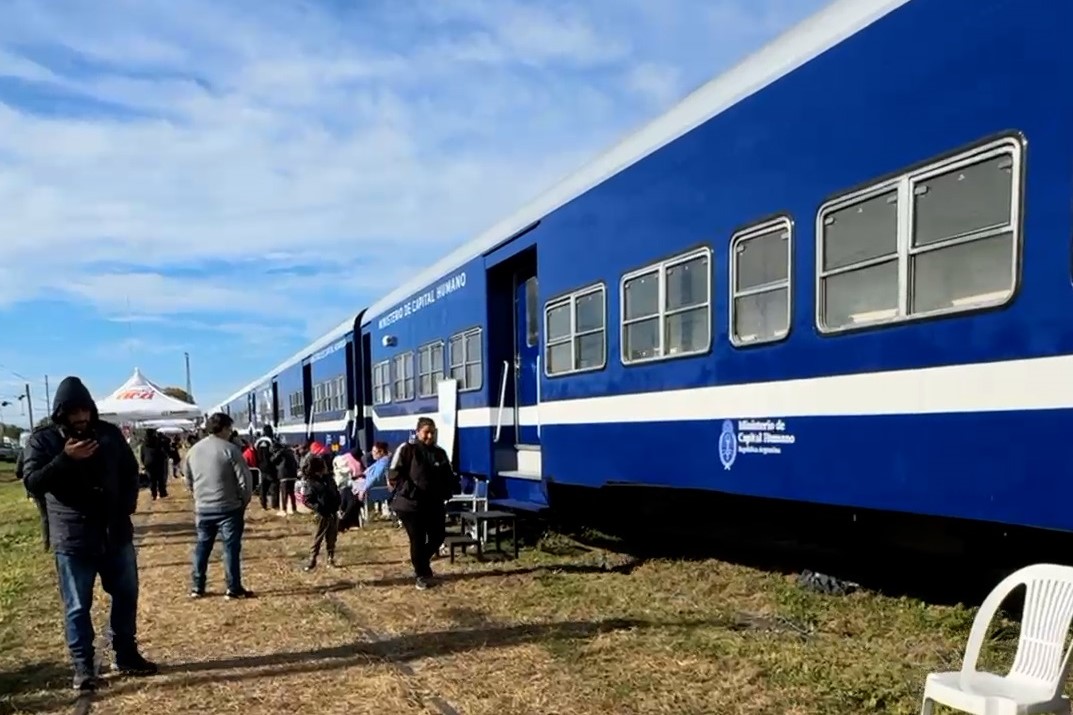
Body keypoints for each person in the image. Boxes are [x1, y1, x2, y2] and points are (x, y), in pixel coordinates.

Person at [21, 376, 157, 691]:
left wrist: (127, 504)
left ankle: (125, 654)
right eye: (73, 413)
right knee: (77, 605)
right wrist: (65, 460)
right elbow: (33, 483)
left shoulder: (109, 433)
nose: (80, 418)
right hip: (73, 538)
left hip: (115, 533)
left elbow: (128, 472)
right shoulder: (43, 441)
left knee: (126, 595)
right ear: (61, 414)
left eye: (85, 411)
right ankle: (83, 667)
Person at [183, 412, 255, 600]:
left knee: (202, 546)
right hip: (229, 508)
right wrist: (243, 501)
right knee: (230, 548)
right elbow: (245, 480)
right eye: (229, 428)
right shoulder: (230, 450)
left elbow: (188, 479)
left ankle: (197, 587)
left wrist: (198, 496)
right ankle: (233, 587)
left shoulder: (193, 451)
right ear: (224, 428)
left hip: (203, 508)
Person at [388, 418, 458, 590]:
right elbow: (393, 472)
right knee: (417, 539)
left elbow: (448, 474)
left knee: (438, 536)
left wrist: (448, 489)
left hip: (434, 503)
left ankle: (421, 562)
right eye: (426, 431)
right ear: (418, 432)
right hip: (411, 505)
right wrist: (408, 489)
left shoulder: (439, 453)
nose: (429, 435)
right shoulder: (408, 449)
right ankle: (421, 574)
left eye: (432, 432)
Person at [301, 455, 341, 570]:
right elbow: (307, 500)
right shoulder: (311, 483)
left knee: (332, 537)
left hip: (333, 512)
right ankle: (312, 559)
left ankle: (330, 558)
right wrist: (318, 507)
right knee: (318, 537)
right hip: (322, 514)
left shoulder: (329, 479)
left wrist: (338, 502)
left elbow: (335, 491)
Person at [253, 426, 280, 510]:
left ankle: (263, 504)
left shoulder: (258, 442)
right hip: (271, 467)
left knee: (263, 487)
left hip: (261, 467)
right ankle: (274, 505)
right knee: (274, 486)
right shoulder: (272, 441)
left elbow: (255, 452)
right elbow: (275, 453)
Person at [139, 429, 169, 500]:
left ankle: (154, 494)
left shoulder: (144, 444)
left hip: (148, 463)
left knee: (152, 479)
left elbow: (142, 455)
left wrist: (144, 463)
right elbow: (167, 443)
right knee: (160, 478)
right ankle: (162, 493)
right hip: (158, 462)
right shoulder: (157, 441)